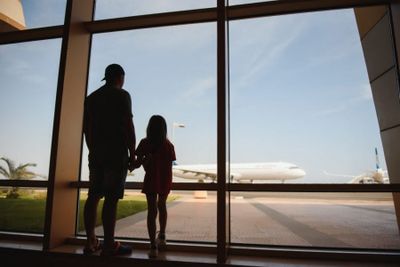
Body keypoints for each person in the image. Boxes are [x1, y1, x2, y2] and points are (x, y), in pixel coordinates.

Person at [83, 64, 136, 256]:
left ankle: (90, 242)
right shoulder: (122, 96)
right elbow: (128, 125)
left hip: (96, 154)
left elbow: (86, 130)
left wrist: (93, 150)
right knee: (111, 199)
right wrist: (133, 153)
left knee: (93, 196)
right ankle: (108, 245)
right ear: (120, 77)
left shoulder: (91, 99)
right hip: (115, 154)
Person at [134, 115, 176, 258]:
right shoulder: (169, 145)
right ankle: (162, 235)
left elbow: (138, 163)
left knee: (151, 211)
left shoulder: (145, 143)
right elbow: (169, 166)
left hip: (151, 180)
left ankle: (152, 244)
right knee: (162, 205)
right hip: (164, 180)